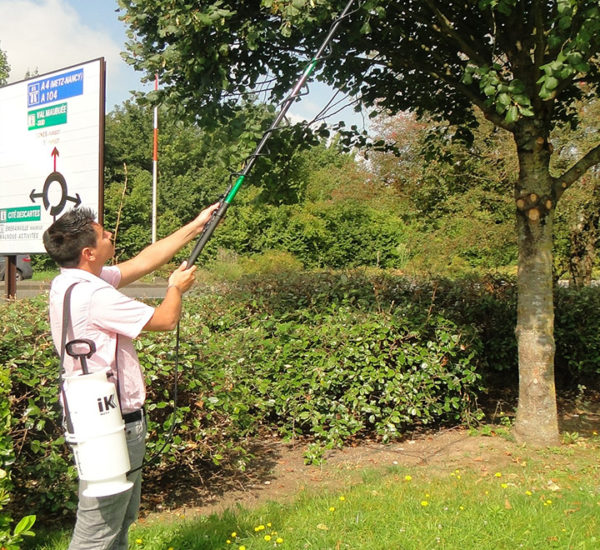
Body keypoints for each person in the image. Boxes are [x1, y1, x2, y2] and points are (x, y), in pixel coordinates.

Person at [43, 203, 218, 550]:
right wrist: (175, 288)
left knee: (119, 520)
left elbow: (142, 261)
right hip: (111, 423)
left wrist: (195, 225)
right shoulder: (96, 295)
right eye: (103, 233)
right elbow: (166, 320)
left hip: (97, 416)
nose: (111, 234)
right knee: (99, 528)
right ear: (89, 252)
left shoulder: (71, 282)